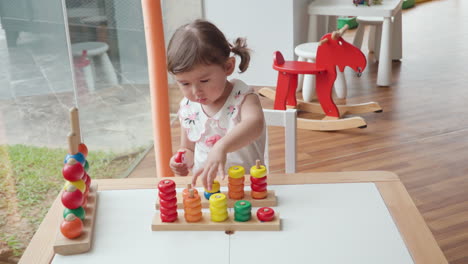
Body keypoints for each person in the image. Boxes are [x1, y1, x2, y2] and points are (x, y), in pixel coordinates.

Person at [167, 19, 265, 191]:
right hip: (208, 189)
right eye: (185, 84)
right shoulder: (189, 107)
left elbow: (255, 124)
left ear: (228, 67)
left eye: (204, 80)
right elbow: (188, 148)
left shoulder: (244, 97)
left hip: (247, 188)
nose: (196, 91)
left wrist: (221, 147)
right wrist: (182, 159)